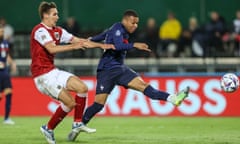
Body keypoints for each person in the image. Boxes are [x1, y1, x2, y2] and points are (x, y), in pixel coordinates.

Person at [67, 9, 190, 141]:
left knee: (144, 86)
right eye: (133, 23)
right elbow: (119, 46)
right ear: (125, 20)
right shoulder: (118, 28)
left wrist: (90, 39)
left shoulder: (118, 30)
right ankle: (78, 126)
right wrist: (135, 45)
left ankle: (173, 99)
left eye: (137, 23)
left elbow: (104, 35)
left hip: (120, 69)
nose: (135, 26)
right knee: (98, 105)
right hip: (107, 71)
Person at [30, 2, 114, 144]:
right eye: (54, 14)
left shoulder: (58, 31)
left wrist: (102, 45)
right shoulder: (40, 31)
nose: (57, 17)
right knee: (69, 103)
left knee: (82, 88)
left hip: (53, 71)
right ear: (45, 15)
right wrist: (74, 46)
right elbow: (52, 49)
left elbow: (80, 41)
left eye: (57, 14)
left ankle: (77, 123)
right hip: (42, 76)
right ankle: (48, 128)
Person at [0, 25, 17, 125]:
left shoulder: (5, 43)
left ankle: (6, 118)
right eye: (0, 31)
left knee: (9, 93)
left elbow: (6, 55)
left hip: (4, 72)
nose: (2, 33)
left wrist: (12, 62)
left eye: (3, 31)